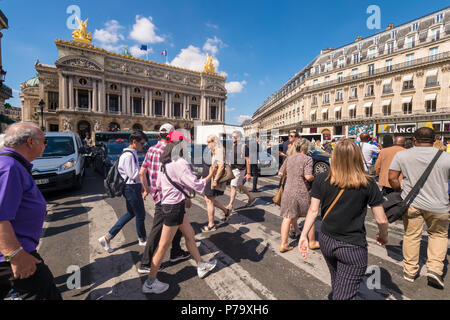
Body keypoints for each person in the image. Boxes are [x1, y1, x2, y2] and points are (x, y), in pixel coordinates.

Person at [299, 138, 389, 300]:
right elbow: (381, 219)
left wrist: (304, 235)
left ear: (334, 156)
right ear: (357, 157)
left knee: (338, 283)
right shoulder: (367, 182)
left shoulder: (322, 178)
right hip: (352, 246)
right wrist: (383, 235)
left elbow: (313, 210)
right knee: (344, 293)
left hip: (326, 239)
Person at [142, 131, 217, 294]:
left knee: (190, 236)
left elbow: (161, 185)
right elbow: (196, 185)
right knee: (163, 246)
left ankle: (201, 265)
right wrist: (210, 174)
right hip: (174, 208)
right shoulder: (180, 162)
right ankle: (150, 282)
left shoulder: (165, 161)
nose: (187, 146)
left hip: (169, 204)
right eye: (185, 143)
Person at [0, 122, 62, 300]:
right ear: (30, 142)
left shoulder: (11, 164)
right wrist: (15, 254)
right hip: (13, 254)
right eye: (44, 141)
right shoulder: (9, 167)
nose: (45, 145)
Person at [389, 127, 450, 289]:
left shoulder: (402, 155)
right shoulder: (446, 157)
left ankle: (410, 271)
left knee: (411, 235)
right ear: (435, 139)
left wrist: (400, 190)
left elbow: (392, 177)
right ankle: (435, 270)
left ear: (414, 140)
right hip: (439, 205)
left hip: (411, 203)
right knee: (438, 235)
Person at [137, 124, 190, 274]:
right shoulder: (171, 153)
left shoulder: (151, 150)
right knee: (158, 229)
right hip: (170, 196)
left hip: (157, 194)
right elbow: (179, 177)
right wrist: (186, 195)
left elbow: (142, 173)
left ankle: (176, 251)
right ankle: (146, 263)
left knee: (178, 222)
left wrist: (147, 189)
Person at [98, 130, 148, 252]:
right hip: (130, 188)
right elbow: (132, 175)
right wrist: (144, 170)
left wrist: (141, 183)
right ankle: (142, 239)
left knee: (131, 213)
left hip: (132, 187)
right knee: (140, 215)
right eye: (142, 143)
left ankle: (107, 237)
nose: (143, 146)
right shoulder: (128, 156)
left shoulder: (132, 153)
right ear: (134, 142)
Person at [277, 139, 318, 252]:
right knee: (310, 216)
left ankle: (284, 244)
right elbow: (308, 176)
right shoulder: (308, 159)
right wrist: (315, 176)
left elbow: (280, 173)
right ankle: (312, 242)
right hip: (301, 191)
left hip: (288, 190)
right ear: (305, 148)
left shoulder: (289, 158)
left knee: (287, 217)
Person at [201, 134, 231, 232]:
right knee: (209, 199)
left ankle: (211, 225)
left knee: (209, 200)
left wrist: (215, 180)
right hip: (208, 178)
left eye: (209, 141)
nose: (207, 143)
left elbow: (221, 166)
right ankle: (226, 211)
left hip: (213, 179)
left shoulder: (218, 150)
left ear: (214, 141)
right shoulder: (212, 150)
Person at [226, 131, 256, 212]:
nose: (232, 138)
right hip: (233, 168)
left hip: (240, 169)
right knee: (239, 185)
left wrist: (249, 173)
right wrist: (228, 166)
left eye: (233, 137)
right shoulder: (233, 145)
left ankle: (230, 205)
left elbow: (247, 160)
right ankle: (251, 197)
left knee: (233, 186)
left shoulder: (244, 146)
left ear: (238, 137)